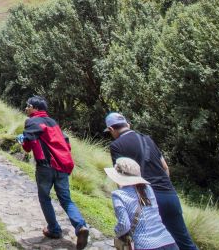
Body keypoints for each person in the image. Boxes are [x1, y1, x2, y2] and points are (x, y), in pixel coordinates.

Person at [105, 112, 198, 250]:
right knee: (184, 241)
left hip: (147, 198)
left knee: (152, 241)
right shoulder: (147, 139)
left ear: (111, 129)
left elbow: (122, 179)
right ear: (127, 125)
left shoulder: (116, 146)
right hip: (169, 194)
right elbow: (165, 167)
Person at [18, 95, 89, 250]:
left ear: (35, 108)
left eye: (28, 106)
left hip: (45, 167)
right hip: (62, 166)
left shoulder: (32, 121)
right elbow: (66, 142)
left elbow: (28, 144)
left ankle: (54, 229)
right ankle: (80, 226)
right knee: (66, 199)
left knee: (44, 198)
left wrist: (22, 140)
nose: (26, 108)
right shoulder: (53, 123)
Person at [105, 157, 178, 250]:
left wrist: (116, 232)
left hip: (146, 245)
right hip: (169, 242)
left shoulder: (118, 195)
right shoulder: (148, 189)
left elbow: (124, 225)